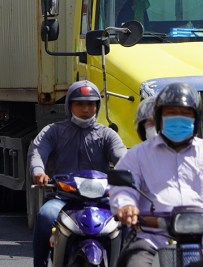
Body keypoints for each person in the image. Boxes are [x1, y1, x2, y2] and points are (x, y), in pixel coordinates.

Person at [111, 83, 203, 267]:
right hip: (153, 239)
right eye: (171, 113)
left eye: (186, 113)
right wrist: (126, 206)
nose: (178, 118)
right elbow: (123, 186)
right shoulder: (137, 155)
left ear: (196, 118)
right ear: (159, 118)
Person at [29, 80, 127, 267]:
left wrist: (130, 175)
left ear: (97, 106)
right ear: (69, 106)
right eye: (79, 103)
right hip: (62, 197)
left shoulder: (107, 135)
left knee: (129, 217)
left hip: (102, 198)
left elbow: (123, 158)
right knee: (46, 216)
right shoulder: (53, 132)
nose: (85, 109)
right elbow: (37, 152)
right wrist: (38, 172)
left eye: (91, 104)